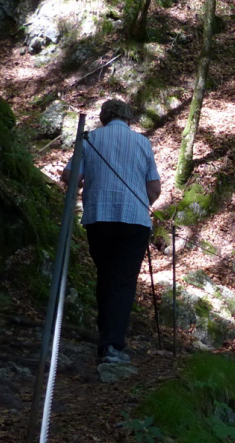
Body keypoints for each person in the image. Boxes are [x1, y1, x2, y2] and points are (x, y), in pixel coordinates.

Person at [62, 99, 161, 364]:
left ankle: (105, 339)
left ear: (104, 118)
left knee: (106, 275)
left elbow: (71, 176)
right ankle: (112, 345)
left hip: (99, 217)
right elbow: (154, 188)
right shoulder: (143, 143)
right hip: (135, 221)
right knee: (123, 280)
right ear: (129, 119)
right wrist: (141, 205)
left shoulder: (90, 138)